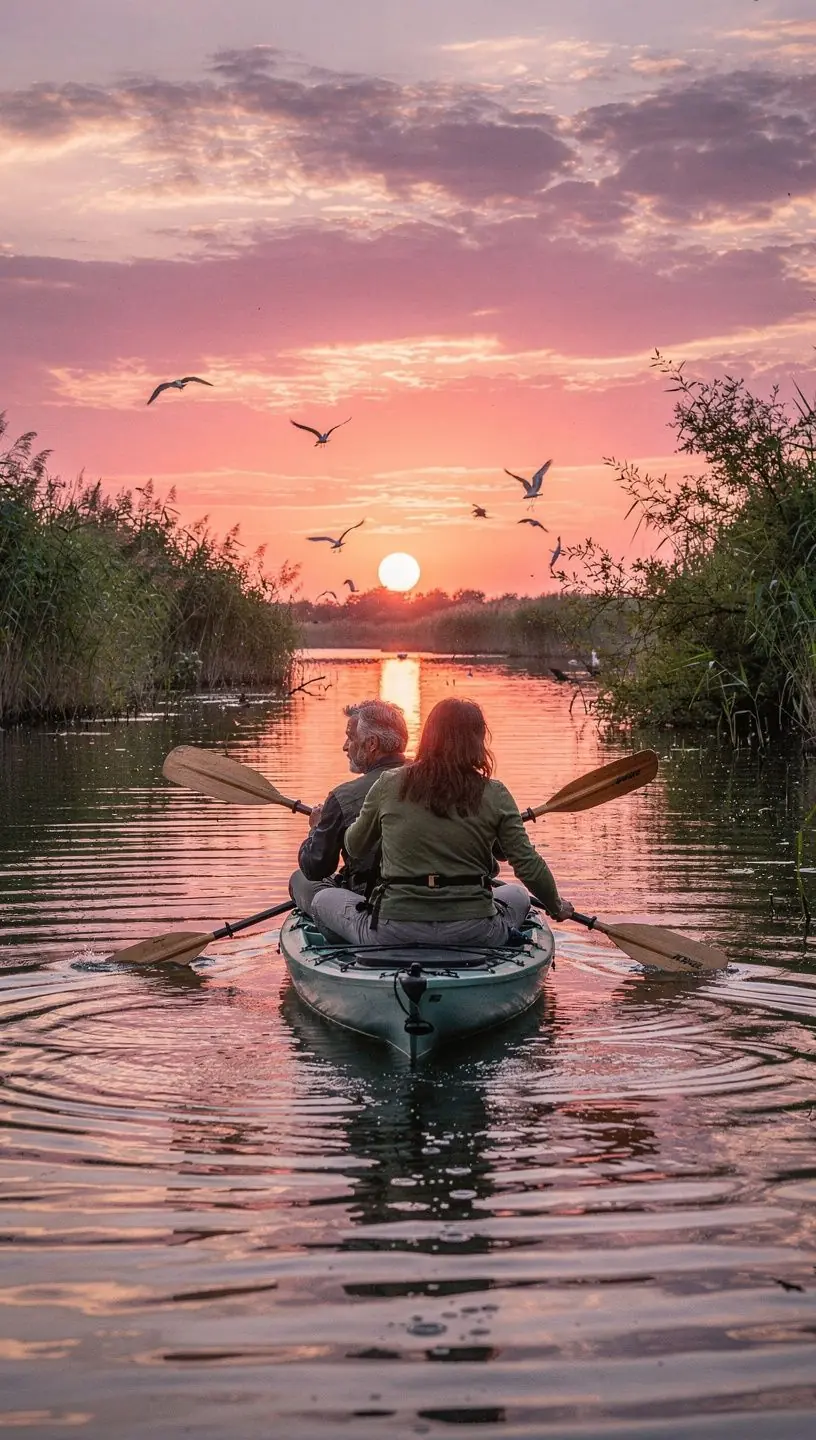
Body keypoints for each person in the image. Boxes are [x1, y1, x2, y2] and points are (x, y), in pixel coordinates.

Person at [311, 697, 573, 947]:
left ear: (427, 737)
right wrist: (556, 906)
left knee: (322, 899)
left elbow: (354, 847)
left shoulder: (388, 784)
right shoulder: (496, 793)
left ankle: (357, 956)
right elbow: (527, 864)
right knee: (516, 894)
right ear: (478, 741)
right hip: (475, 931)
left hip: (396, 930)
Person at [288, 699, 408, 916]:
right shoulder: (435, 780)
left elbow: (316, 867)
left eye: (350, 738)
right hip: (433, 898)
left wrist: (316, 828)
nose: (345, 746)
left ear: (371, 743)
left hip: (369, 903)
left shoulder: (343, 796)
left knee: (300, 880)